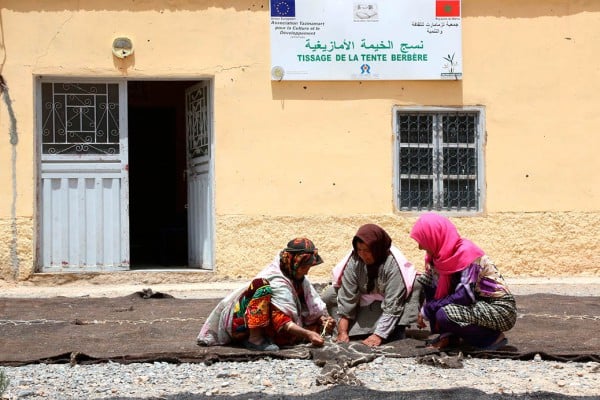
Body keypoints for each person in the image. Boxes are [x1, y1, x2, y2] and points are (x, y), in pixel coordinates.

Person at [197, 238, 336, 351]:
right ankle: (255, 339)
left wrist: (322, 320)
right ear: (292, 262)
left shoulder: (299, 280)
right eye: (304, 267)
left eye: (308, 268)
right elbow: (281, 320)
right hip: (242, 325)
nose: (306, 272)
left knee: (318, 330)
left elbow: (311, 307)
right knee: (261, 287)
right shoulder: (274, 278)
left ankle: (275, 337)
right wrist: (308, 333)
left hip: (278, 325)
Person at [409, 213, 517, 350]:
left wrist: (428, 309)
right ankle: (449, 337)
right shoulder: (438, 259)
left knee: (445, 313)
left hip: (498, 307)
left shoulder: (467, 254)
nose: (420, 247)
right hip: (476, 304)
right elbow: (434, 289)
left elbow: (464, 296)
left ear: (434, 236)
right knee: (427, 282)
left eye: (422, 240)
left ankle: (491, 339)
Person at [321, 224, 420, 347]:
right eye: (359, 250)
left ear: (377, 249)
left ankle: (394, 329)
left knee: (417, 284)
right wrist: (342, 332)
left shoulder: (392, 264)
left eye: (367, 250)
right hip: (364, 304)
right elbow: (347, 297)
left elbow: (393, 303)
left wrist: (378, 336)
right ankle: (354, 330)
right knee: (330, 294)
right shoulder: (355, 262)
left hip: (390, 306)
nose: (363, 255)